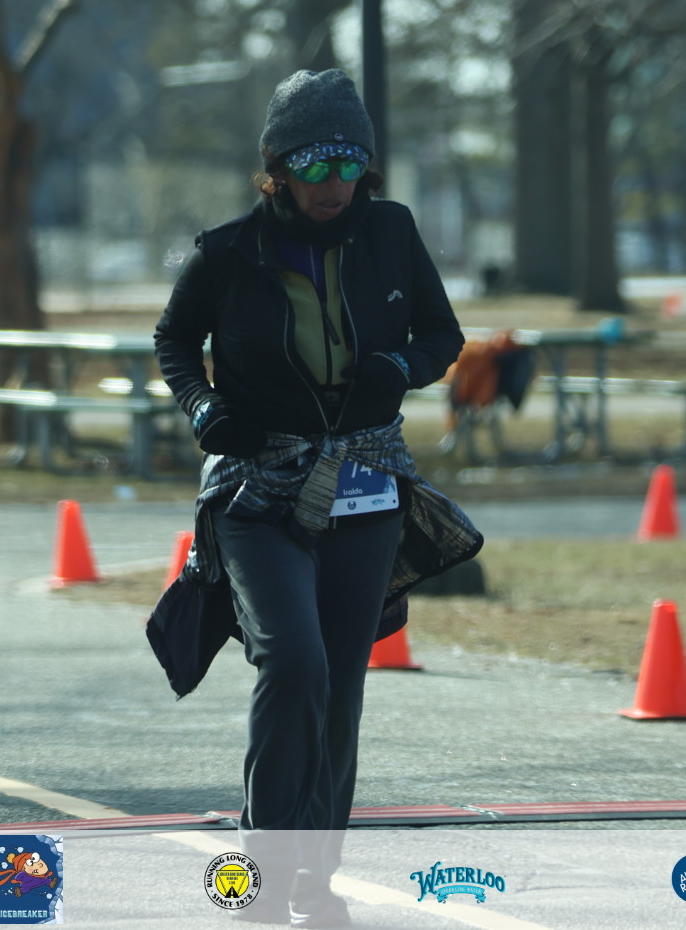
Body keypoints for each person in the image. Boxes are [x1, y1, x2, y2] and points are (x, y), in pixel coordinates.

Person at [147, 69, 482, 928]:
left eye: (349, 163)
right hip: (258, 491)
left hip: (367, 482)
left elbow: (441, 334)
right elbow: (175, 339)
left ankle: (314, 882)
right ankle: (261, 874)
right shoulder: (228, 251)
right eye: (313, 164)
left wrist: (401, 367)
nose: (334, 182)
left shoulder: (392, 231)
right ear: (277, 169)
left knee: (340, 686)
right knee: (294, 664)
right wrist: (204, 407)